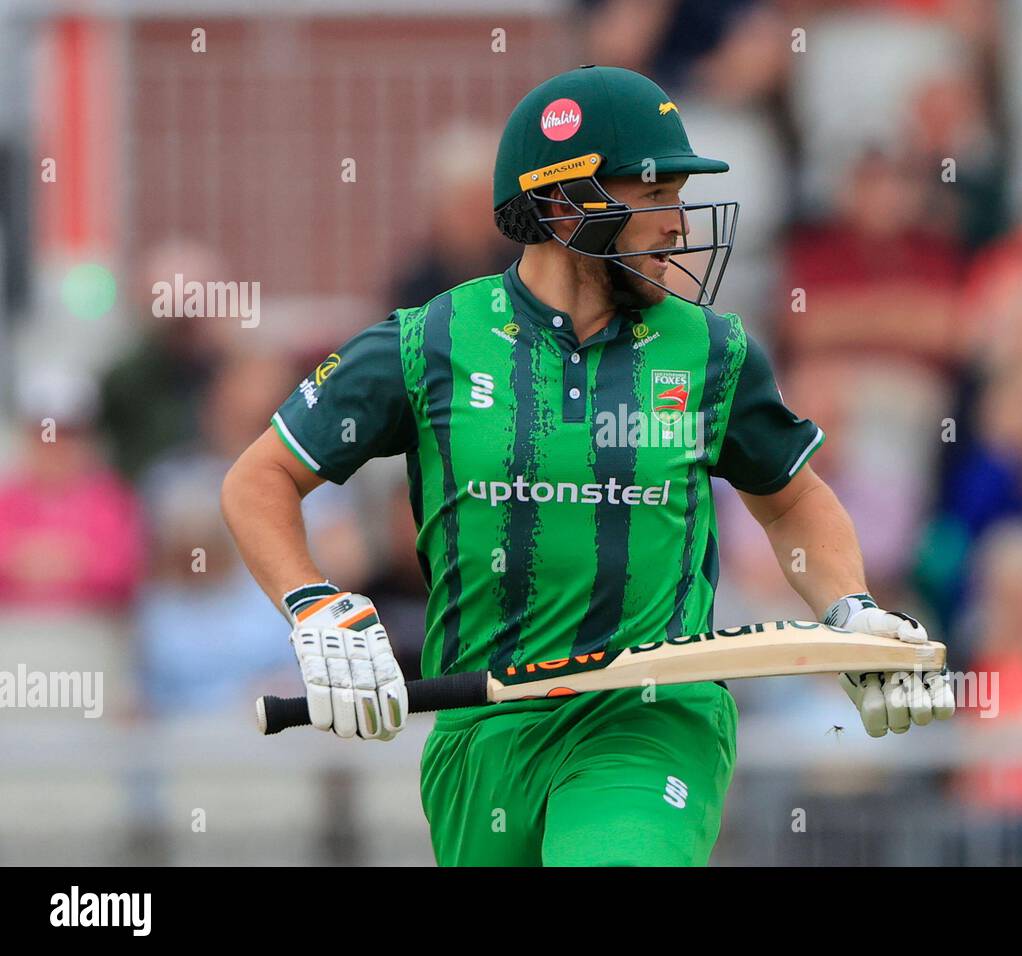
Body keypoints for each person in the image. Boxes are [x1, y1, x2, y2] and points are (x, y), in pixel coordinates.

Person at [221, 65, 953, 867]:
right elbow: (259, 480)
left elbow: (792, 501)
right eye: (654, 195)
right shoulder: (427, 340)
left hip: (651, 719)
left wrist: (849, 607)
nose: (677, 225)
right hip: (483, 737)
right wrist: (314, 607)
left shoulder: (713, 351)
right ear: (567, 202)